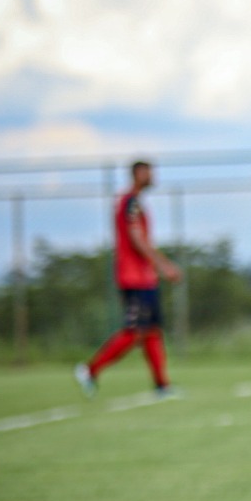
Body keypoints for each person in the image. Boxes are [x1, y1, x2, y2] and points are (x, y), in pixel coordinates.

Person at [75, 160, 181, 398]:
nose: (153, 176)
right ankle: (90, 370)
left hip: (145, 278)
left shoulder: (136, 203)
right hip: (133, 277)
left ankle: (162, 385)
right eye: (149, 172)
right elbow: (136, 239)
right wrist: (164, 265)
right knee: (135, 331)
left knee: (152, 331)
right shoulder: (130, 202)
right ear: (138, 174)